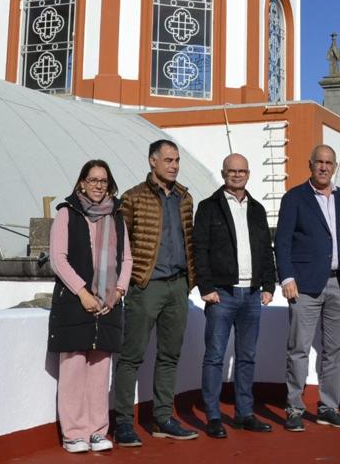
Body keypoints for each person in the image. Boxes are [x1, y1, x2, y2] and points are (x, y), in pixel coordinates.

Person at [276, 144, 340, 431]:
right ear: (311, 164)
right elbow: (282, 241)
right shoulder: (295, 198)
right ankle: (294, 408)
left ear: (335, 166)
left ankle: (328, 407)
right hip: (304, 285)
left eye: (329, 163)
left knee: (334, 350)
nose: (324, 167)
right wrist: (287, 278)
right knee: (298, 348)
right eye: (320, 162)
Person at [111, 139, 198, 445]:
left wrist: (189, 281)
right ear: (153, 161)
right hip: (145, 287)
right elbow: (118, 245)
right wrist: (123, 284)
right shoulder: (133, 198)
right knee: (132, 357)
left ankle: (163, 418)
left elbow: (190, 240)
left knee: (169, 356)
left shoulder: (185, 199)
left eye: (177, 161)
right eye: (169, 160)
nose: (174, 165)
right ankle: (122, 423)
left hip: (178, 286)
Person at [48, 160, 133, 454]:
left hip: (108, 304)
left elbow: (127, 259)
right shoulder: (66, 214)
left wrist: (118, 291)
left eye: (103, 181)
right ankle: (73, 433)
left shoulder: (117, 217)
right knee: (72, 370)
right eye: (93, 180)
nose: (98, 185)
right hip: (75, 303)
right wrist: (83, 293)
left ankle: (98, 431)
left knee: (100, 370)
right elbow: (58, 258)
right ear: (81, 182)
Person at [193, 153, 277, 438]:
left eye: (242, 171)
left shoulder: (257, 209)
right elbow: (199, 250)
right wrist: (206, 287)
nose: (237, 175)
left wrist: (268, 285)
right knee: (215, 356)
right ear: (223, 173)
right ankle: (214, 416)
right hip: (222, 294)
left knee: (247, 357)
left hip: (252, 294)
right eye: (232, 171)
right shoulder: (208, 208)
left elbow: (267, 250)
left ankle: (244, 413)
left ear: (249, 173)